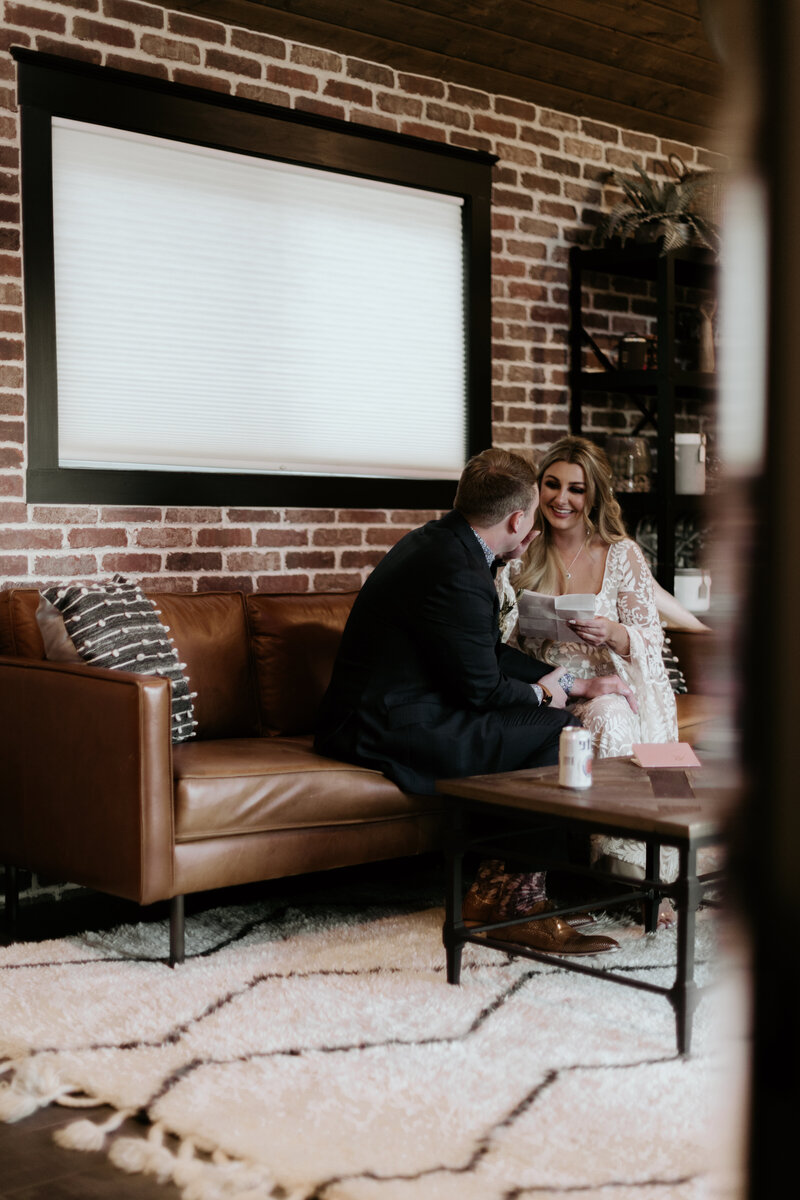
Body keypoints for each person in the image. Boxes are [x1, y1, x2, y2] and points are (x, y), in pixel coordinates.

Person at [315, 447, 636, 955]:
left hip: (401, 709)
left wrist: (571, 682)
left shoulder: (442, 544)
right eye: (533, 511)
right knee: (555, 729)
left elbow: (482, 651)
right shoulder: (459, 570)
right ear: (517, 518)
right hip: (384, 725)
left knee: (542, 721)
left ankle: (493, 893)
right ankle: (518, 906)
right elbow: (482, 689)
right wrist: (545, 694)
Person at [498, 436, 679, 883]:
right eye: (552, 485)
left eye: (576, 489)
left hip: (609, 685)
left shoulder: (622, 555)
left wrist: (614, 633)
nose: (561, 499)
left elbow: (651, 640)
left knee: (610, 716)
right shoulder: (521, 552)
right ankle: (548, 869)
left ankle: (623, 866)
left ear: (593, 495)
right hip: (544, 689)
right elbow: (496, 640)